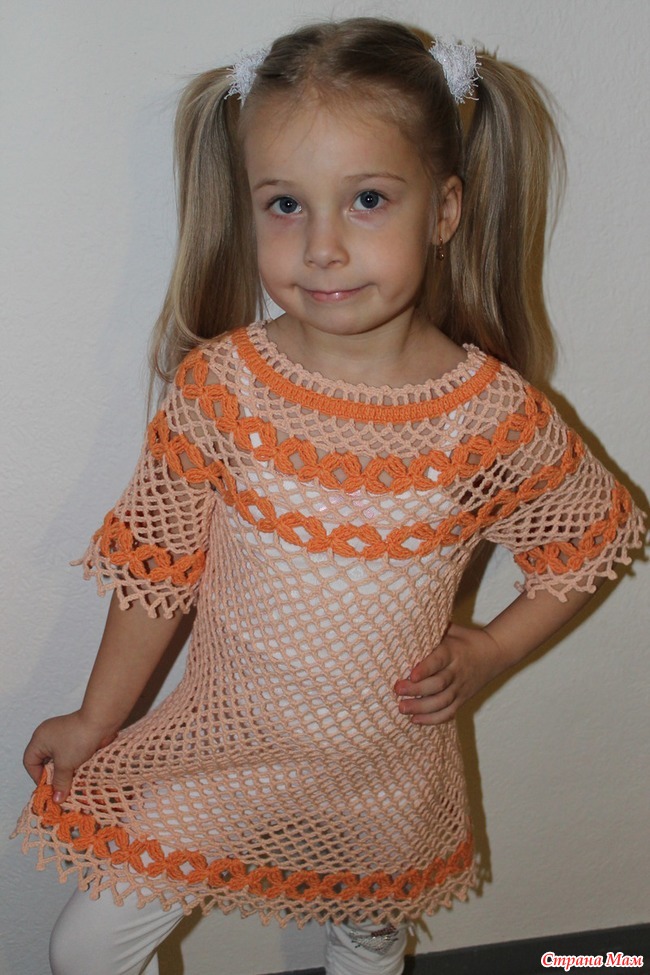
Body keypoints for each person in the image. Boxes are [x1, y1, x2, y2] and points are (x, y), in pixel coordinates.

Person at [14, 17, 645, 975]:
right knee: (86, 947)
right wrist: (97, 718)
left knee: (366, 940)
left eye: (366, 200)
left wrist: (492, 648)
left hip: (384, 772)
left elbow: (586, 541)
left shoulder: (492, 418)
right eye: (284, 204)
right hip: (222, 749)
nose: (321, 247)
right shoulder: (222, 391)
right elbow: (156, 570)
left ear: (443, 210)